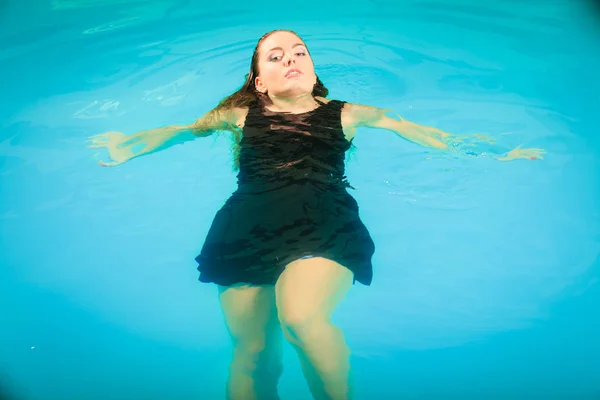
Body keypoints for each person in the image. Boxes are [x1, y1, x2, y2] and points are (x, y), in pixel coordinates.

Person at [87, 30, 545, 400]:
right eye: (276, 55)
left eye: (300, 52)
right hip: (243, 228)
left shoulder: (349, 113)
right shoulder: (239, 115)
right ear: (259, 81)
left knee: (302, 318)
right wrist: (124, 149)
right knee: (253, 353)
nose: (291, 59)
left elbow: (426, 134)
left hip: (323, 223)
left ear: (313, 69)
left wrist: (498, 154)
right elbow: (180, 131)